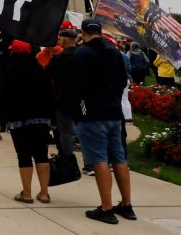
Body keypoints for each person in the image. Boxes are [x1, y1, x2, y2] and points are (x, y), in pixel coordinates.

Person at [73, 19, 134, 224]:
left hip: (92, 113)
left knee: (99, 159)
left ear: (83, 32)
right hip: (113, 112)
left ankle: (106, 208)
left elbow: (76, 85)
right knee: (119, 158)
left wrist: (80, 110)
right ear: (100, 31)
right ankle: (126, 205)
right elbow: (122, 81)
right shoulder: (114, 51)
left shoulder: (81, 53)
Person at [0, 40, 54, 204]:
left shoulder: (9, 72)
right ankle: (44, 193)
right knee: (42, 154)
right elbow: (50, 95)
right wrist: (53, 119)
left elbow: (2, 97)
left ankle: (26, 194)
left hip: (18, 119)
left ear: (14, 52)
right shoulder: (40, 70)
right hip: (41, 119)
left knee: (24, 155)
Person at [46, 26, 80, 160]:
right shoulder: (83, 55)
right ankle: (90, 163)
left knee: (64, 130)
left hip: (63, 99)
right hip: (81, 99)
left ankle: (67, 158)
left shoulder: (58, 58)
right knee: (83, 128)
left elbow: (48, 74)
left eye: (60, 38)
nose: (58, 40)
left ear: (66, 39)